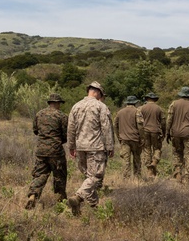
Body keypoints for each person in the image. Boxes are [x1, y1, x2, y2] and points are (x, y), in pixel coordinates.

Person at [67, 81, 114, 215]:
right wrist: (110, 146)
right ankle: (78, 197)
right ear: (98, 92)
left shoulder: (76, 106)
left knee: (89, 177)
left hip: (80, 146)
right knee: (96, 177)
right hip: (96, 146)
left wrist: (71, 146)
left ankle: (94, 206)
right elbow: (106, 127)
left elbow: (71, 128)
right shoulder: (101, 106)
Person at [25, 92, 69, 210]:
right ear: (57, 103)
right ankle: (60, 197)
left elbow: (35, 131)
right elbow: (65, 135)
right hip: (56, 150)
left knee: (40, 174)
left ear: (49, 103)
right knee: (59, 174)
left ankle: (33, 195)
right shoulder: (62, 116)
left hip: (41, 150)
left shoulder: (39, 114)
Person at [166, 86, 189, 185]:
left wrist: (167, 132)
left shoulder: (173, 104)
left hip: (176, 133)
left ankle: (177, 174)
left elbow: (169, 120)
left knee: (177, 153)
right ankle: (188, 177)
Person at [114, 95, 143, 180]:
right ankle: (137, 177)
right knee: (137, 159)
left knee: (125, 160)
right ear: (135, 103)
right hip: (135, 139)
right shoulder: (137, 112)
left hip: (124, 139)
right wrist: (142, 138)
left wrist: (119, 137)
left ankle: (126, 178)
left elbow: (115, 125)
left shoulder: (120, 112)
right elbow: (140, 126)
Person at [137, 92, 165, 178]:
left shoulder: (141, 108)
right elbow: (163, 122)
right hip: (155, 131)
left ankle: (149, 169)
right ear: (155, 99)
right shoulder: (159, 109)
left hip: (145, 131)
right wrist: (164, 132)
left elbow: (139, 123)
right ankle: (155, 162)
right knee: (157, 148)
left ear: (147, 99)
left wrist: (140, 134)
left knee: (147, 150)